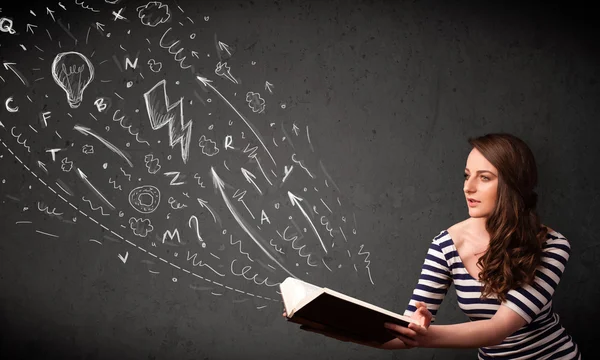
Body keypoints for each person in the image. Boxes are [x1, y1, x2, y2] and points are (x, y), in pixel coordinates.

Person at [284, 133, 581, 359]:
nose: (468, 187)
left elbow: (499, 328)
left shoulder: (551, 245)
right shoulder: (445, 245)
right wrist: (339, 328)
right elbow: (404, 334)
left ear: (513, 185)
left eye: (485, 178)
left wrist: (425, 337)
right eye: (467, 175)